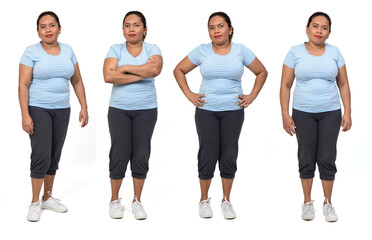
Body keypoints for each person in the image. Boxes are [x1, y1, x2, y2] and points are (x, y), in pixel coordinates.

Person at [174, 12, 267, 219]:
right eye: (212, 27)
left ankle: (226, 200)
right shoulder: (202, 51)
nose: (216, 31)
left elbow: (262, 72)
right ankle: (204, 200)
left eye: (220, 26)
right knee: (208, 153)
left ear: (230, 29)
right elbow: (179, 70)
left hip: (233, 111)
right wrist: (189, 94)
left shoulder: (241, 51)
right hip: (206, 111)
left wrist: (251, 96)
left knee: (228, 153)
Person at [280, 12, 351, 222]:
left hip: (330, 111)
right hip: (303, 113)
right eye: (315, 26)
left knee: (327, 157)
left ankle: (328, 203)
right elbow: (285, 85)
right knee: (306, 156)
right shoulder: (294, 52)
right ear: (307, 28)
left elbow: (344, 83)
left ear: (329, 32)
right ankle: (307, 202)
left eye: (324, 27)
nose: (319, 31)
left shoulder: (335, 52)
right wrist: (285, 114)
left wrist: (348, 111)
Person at [19, 11, 89, 222]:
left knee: (54, 154)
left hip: (62, 110)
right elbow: (23, 85)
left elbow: (77, 81)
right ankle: (34, 203)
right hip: (38, 108)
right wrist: (25, 114)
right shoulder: (31, 52)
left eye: (51, 25)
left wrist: (84, 106)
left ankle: (47, 198)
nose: (48, 30)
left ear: (59, 28)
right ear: (38, 30)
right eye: (43, 26)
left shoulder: (68, 51)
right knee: (41, 154)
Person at [103, 11, 163, 220]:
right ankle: (114, 200)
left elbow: (155, 70)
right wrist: (142, 72)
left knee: (140, 153)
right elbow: (108, 75)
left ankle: (137, 200)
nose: (131, 29)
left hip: (146, 110)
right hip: (119, 110)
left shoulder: (153, 49)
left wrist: (126, 68)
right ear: (123, 30)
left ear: (144, 29)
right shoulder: (115, 49)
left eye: (136, 25)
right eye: (127, 25)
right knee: (119, 153)